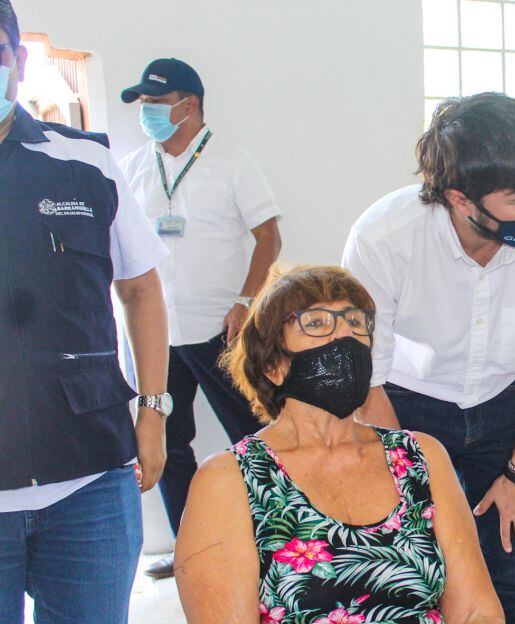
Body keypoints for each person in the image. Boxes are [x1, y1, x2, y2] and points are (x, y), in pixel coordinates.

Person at [341, 92, 515, 623]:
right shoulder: (385, 237)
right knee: (417, 577)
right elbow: (368, 382)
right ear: (460, 199)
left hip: (506, 409)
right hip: (405, 411)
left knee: (511, 579)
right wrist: (412, 487)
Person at [174, 265, 504, 624]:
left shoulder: (420, 457)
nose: (345, 337)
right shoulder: (229, 480)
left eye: (356, 323)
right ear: (273, 364)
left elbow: (476, 611)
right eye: (317, 323)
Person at [0, 1, 171, 620]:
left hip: (90, 480)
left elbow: (142, 288)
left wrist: (153, 412)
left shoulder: (84, 161)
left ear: (17, 61)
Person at [118, 57, 283, 579]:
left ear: (189, 106)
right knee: (167, 443)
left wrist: (245, 300)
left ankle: (275, 544)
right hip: (159, 337)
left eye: (155, 103)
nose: (145, 112)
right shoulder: (133, 167)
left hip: (222, 330)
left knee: (255, 438)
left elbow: (268, 237)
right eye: (141, 104)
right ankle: (194, 548)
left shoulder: (234, 161)